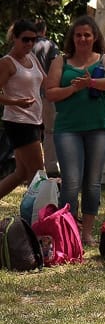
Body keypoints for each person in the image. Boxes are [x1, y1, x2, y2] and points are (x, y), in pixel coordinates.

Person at [45, 16, 105, 245]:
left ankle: (86, 233)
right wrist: (74, 88)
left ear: (95, 37)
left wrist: (92, 84)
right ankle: (66, 232)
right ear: (72, 38)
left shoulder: (104, 60)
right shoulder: (61, 61)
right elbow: (50, 93)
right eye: (78, 35)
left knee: (93, 182)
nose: (83, 39)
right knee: (71, 182)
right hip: (68, 129)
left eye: (87, 34)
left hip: (99, 128)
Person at [0, 20, 46, 200]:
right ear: (14, 38)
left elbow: (47, 80)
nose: (29, 44)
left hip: (34, 120)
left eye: (33, 40)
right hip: (19, 122)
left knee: (21, 174)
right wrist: (16, 102)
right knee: (39, 176)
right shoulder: (7, 62)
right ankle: (41, 218)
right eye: (25, 39)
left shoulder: (32, 57)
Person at [32, 20, 60, 176]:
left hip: (29, 95)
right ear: (44, 30)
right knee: (50, 131)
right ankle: (51, 167)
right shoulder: (50, 45)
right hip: (46, 94)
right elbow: (55, 68)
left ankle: (31, 165)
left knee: (32, 131)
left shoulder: (26, 46)